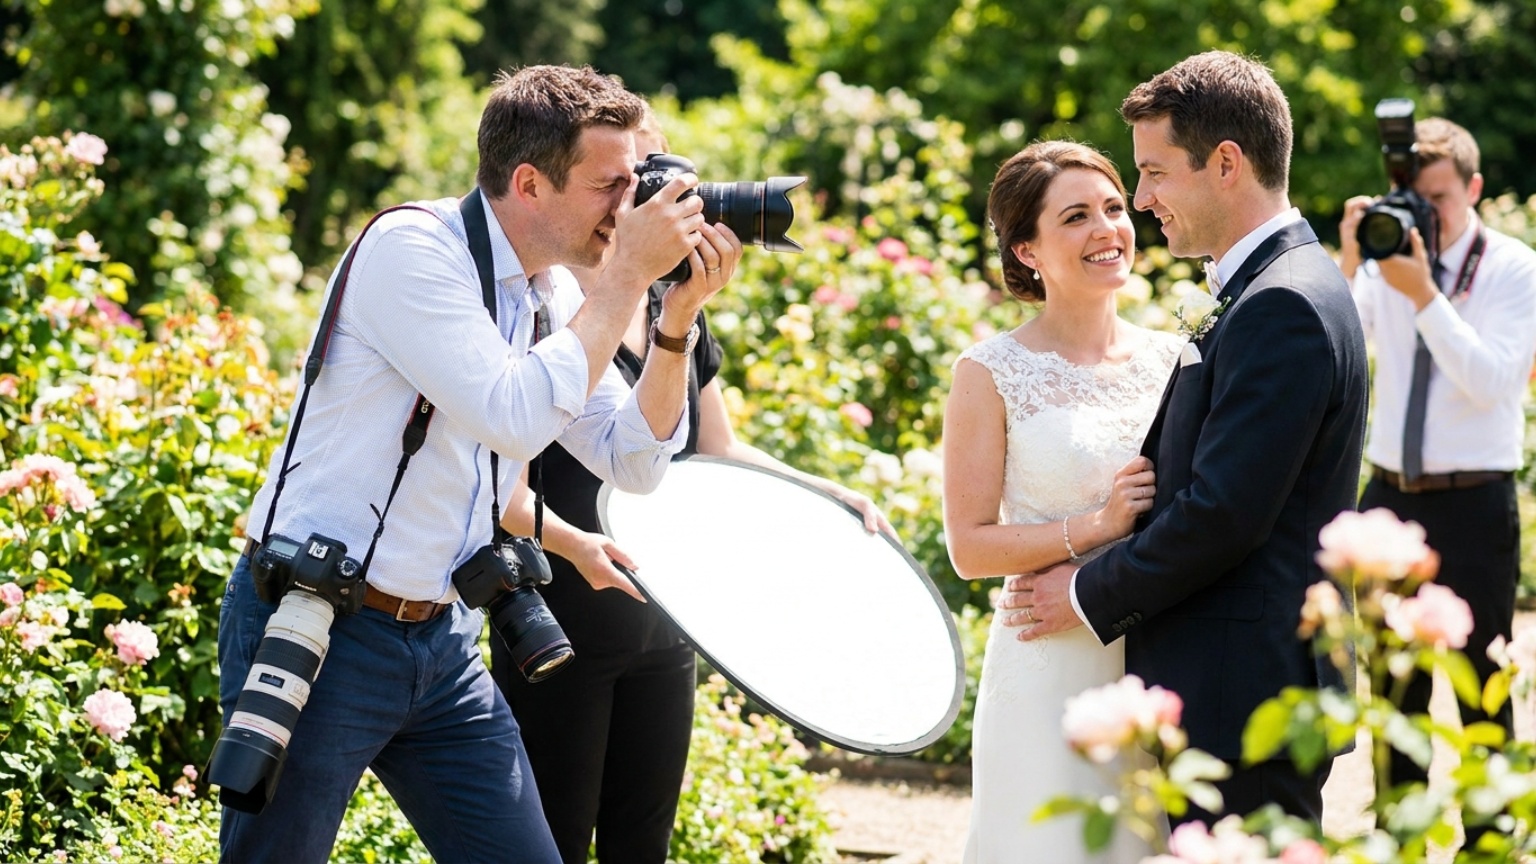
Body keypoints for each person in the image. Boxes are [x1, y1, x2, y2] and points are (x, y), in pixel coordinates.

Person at [215, 64, 737, 862]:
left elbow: (632, 464)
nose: (631, 209)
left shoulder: (550, 292)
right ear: (530, 183)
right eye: (610, 186)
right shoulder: (412, 251)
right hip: (322, 624)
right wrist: (627, 275)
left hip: (442, 640)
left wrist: (675, 322)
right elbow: (515, 415)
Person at [492, 107, 891, 864]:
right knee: (553, 841)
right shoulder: (539, 306)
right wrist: (577, 547)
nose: (660, 197)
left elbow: (717, 448)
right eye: (634, 177)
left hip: (664, 621)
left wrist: (822, 493)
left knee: (644, 843)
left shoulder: (672, 306)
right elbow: (496, 475)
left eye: (667, 174)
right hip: (561, 613)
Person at [1000, 51, 1369, 826]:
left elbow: (1223, 515)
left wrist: (1081, 592)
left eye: (1156, 173)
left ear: (1226, 163)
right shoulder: (1275, 284)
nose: (1141, 200)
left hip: (1247, 696)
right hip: (1235, 685)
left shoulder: (1284, 305)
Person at [942, 139, 1181, 862]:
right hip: (1048, 666)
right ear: (1028, 250)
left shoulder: (1177, 357)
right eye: (1075, 217)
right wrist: (1098, 525)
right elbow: (970, 547)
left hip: (1160, 657)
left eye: (1114, 207)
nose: (1107, 229)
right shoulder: (989, 372)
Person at [1338, 118, 1536, 809]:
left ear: (1475, 188)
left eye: (1440, 198)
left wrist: (1423, 294)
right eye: (1413, 198)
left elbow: (1491, 380)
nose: (1426, 214)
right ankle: (1396, 838)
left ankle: (1489, 844)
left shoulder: (1513, 267)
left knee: (1482, 685)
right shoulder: (1385, 256)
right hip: (1390, 499)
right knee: (1395, 693)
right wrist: (1348, 261)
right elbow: (1344, 339)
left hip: (1475, 504)